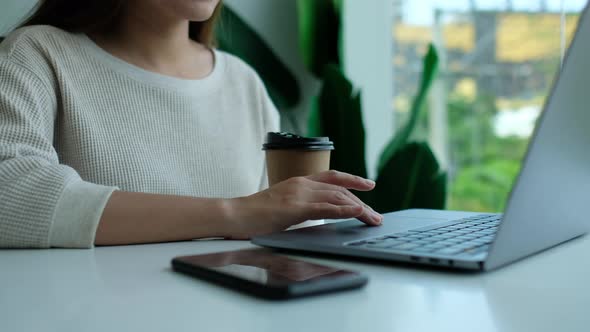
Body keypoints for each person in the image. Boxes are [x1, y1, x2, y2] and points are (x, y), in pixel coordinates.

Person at [0, 0, 382, 249]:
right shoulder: (37, 55)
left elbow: (276, 232)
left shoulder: (243, 82)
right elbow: (9, 192)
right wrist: (236, 214)